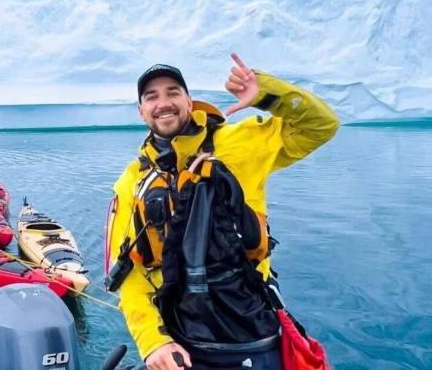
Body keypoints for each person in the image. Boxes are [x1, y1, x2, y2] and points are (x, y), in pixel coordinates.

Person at [104, 54, 340, 370]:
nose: (164, 103)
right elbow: (129, 272)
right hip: (181, 343)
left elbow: (321, 126)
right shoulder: (132, 182)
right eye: (152, 96)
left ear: (189, 101)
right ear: (141, 110)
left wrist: (267, 94)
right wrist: (152, 341)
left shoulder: (239, 143)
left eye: (173, 92)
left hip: (254, 336)